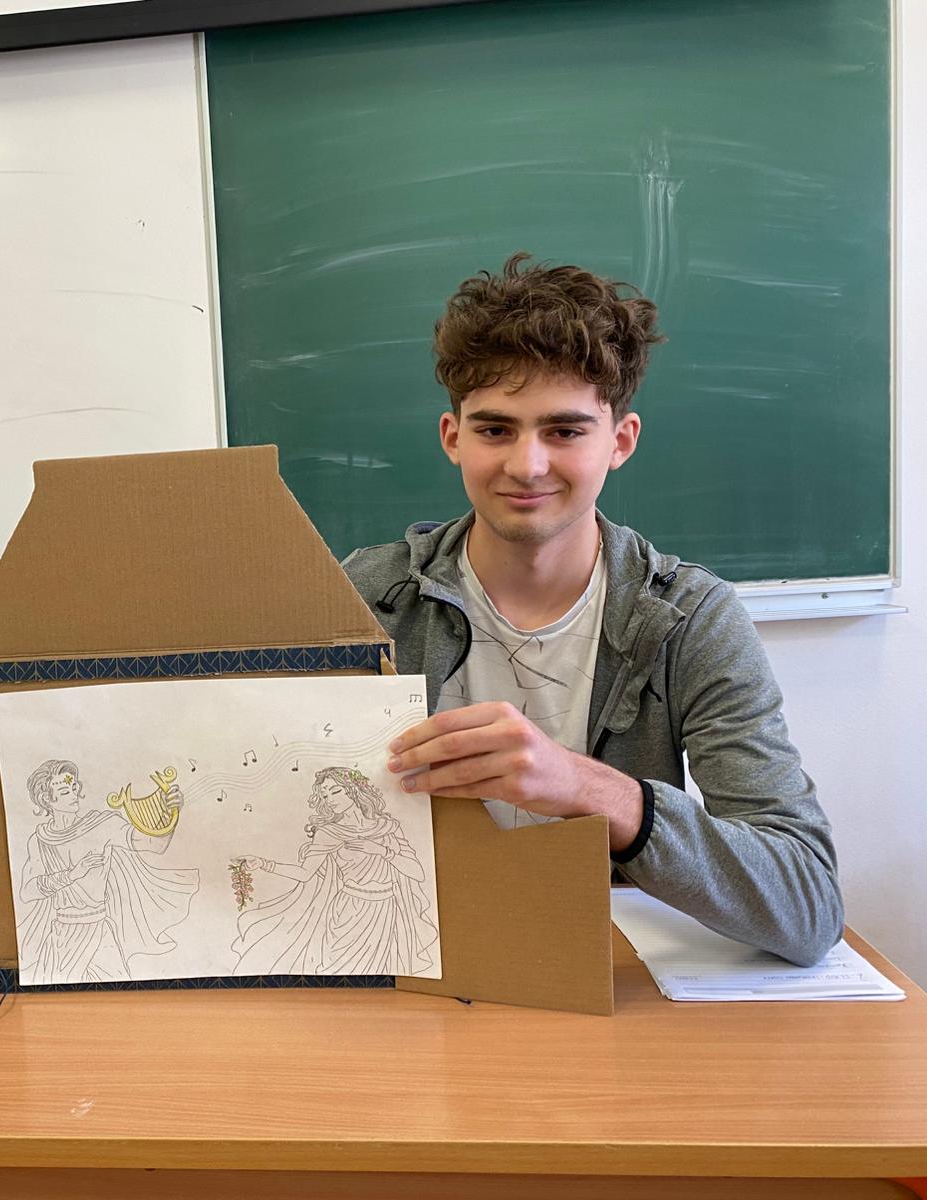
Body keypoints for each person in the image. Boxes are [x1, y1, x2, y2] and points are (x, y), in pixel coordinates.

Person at [341, 253, 844, 967]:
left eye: (565, 431)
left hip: (602, 974)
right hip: (409, 960)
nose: (527, 465)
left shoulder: (690, 619)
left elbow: (808, 907)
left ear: (621, 441)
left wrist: (593, 791)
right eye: (495, 430)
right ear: (452, 437)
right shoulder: (367, 596)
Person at [232, 766, 437, 976]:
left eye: (335, 791)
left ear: (353, 789)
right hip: (351, 909)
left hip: (388, 909)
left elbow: (417, 873)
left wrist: (381, 851)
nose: (329, 799)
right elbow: (305, 873)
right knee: (343, 969)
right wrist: (264, 864)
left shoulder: (388, 827)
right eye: (324, 795)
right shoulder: (329, 832)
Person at [15, 759, 197, 983]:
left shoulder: (101, 824)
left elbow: (155, 845)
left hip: (100, 933)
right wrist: (72, 875)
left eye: (74, 787)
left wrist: (170, 814)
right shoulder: (39, 840)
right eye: (64, 792)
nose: (74, 795)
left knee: (122, 992)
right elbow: (27, 892)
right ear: (46, 799)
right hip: (62, 937)